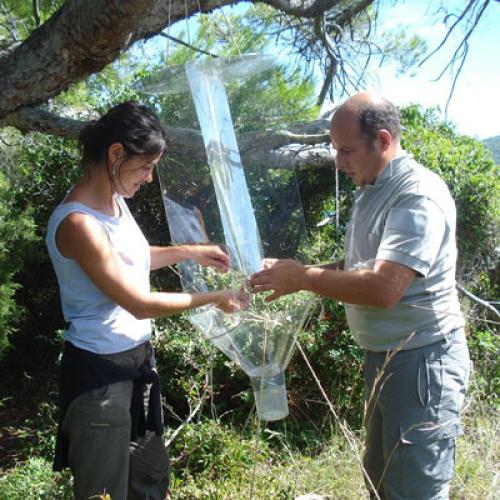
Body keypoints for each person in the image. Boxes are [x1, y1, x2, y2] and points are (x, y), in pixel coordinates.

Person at [250, 92, 470, 499]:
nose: (338, 163)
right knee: (381, 483)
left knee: (413, 491)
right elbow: (360, 267)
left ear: (383, 141)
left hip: (422, 364)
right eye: (336, 151)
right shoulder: (373, 188)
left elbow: (384, 287)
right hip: (385, 359)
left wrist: (303, 278)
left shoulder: (416, 194)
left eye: (346, 151)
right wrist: (292, 270)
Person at [45, 101, 248, 500]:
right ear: (116, 154)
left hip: (137, 365)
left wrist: (189, 251)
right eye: (146, 166)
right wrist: (214, 298)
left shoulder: (116, 203)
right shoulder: (78, 223)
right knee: (103, 493)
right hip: (99, 382)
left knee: (150, 482)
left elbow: (132, 261)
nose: (150, 179)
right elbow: (137, 301)